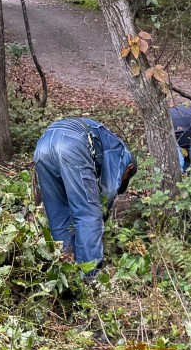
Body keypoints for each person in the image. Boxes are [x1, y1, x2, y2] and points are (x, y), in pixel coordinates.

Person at [32, 117, 136, 273]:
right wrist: (100, 216)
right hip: (70, 144)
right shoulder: (123, 153)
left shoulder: (106, 140)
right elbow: (108, 191)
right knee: (88, 214)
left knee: (58, 214)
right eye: (125, 178)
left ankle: (66, 268)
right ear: (130, 168)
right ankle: (89, 276)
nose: (121, 179)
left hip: (43, 144)